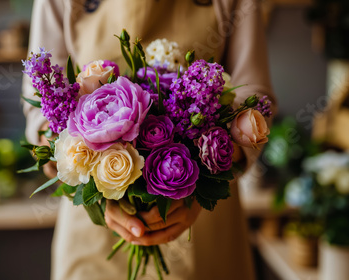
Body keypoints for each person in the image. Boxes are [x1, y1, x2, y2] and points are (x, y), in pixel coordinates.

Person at [22, 0, 276, 279]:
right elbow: (42, 105)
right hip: (93, 225)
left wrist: (202, 178)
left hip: (202, 222)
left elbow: (255, 94)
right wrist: (96, 190)